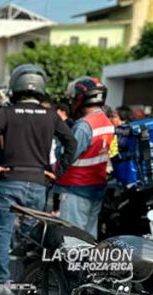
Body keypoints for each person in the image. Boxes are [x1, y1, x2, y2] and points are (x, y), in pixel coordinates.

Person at [0, 64, 75, 289]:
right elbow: (71, 142)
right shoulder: (51, 116)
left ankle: (1, 281)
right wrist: (58, 171)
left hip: (9, 180)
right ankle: (26, 280)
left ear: (15, 86)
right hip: (37, 182)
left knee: (2, 232)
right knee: (31, 235)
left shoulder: (6, 112)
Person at [53, 77, 114, 238]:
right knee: (88, 236)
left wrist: (60, 143)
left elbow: (67, 155)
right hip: (96, 186)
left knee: (73, 238)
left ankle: (74, 264)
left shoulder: (83, 126)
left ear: (81, 98)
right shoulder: (106, 122)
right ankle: (86, 264)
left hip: (76, 188)